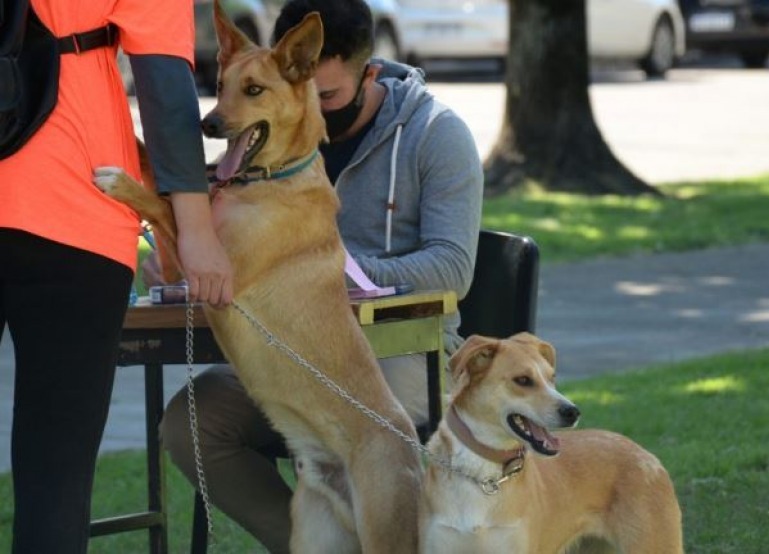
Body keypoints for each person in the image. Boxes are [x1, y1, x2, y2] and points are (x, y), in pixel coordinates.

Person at [160, 0, 483, 551]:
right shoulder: (256, 141)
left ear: (369, 72)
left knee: (376, 441)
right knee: (194, 421)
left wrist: (342, 270)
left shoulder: (435, 134)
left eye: (327, 95)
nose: (311, 106)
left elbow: (453, 267)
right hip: (294, 350)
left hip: (400, 353)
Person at [0, 1, 233, 552]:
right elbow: (164, 86)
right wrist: (194, 232)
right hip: (72, 208)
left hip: (70, 212)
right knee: (54, 474)